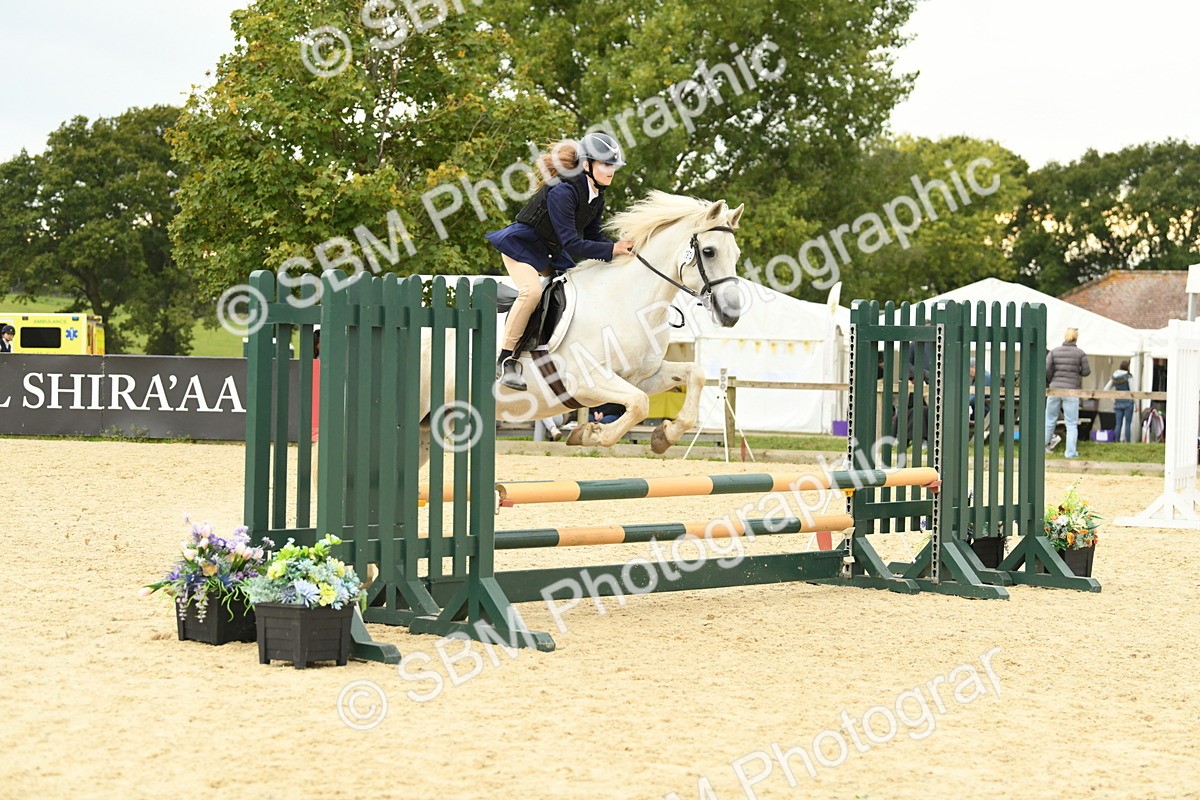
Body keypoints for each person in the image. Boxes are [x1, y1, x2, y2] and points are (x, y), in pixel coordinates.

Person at [484, 132, 636, 391]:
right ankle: (506, 359)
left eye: (613, 165)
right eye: (605, 164)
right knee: (532, 292)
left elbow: (594, 236)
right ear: (587, 164)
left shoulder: (596, 194)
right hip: (521, 246)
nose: (611, 171)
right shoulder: (563, 191)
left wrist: (624, 249)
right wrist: (612, 249)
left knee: (579, 287)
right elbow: (573, 244)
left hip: (550, 250)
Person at [1045, 327, 1091, 459]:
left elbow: (1047, 369)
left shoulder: (1054, 352)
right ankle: (1070, 453)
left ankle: (1043, 447)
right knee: (1071, 423)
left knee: (1050, 420)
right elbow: (1086, 371)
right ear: (1076, 338)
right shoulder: (1080, 353)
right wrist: (1077, 372)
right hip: (1071, 391)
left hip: (1055, 390)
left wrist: (1052, 380)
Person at [1104, 359, 1135, 443]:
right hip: (1128, 402)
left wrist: (1112, 399)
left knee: (1118, 424)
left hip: (1117, 402)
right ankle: (1128, 442)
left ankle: (1116, 441)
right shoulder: (1128, 376)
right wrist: (1136, 403)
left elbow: (1106, 389)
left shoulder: (1114, 376)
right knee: (1128, 424)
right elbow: (1133, 391)